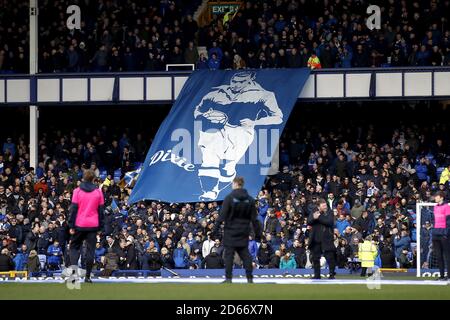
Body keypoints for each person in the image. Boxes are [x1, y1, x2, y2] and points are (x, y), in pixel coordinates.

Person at [212, 177, 262, 283]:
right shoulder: (250, 199)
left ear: (235, 184)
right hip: (244, 231)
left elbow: (221, 217)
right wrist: (258, 234)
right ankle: (249, 278)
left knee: (229, 255)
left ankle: (228, 278)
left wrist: (214, 231)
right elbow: (254, 219)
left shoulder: (229, 198)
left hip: (230, 231)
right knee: (245, 254)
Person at [67, 169, 105, 283]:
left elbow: (73, 210)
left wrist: (71, 225)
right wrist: (100, 227)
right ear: (94, 179)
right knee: (90, 251)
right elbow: (101, 211)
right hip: (93, 225)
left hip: (79, 224)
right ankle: (87, 276)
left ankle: (74, 275)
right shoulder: (98, 192)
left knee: (74, 248)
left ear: (83, 178)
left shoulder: (77, 191)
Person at [307, 198, 337, 279]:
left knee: (330, 257)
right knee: (315, 258)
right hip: (316, 239)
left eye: (325, 205)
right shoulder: (314, 211)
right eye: (323, 205)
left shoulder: (329, 212)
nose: (325, 207)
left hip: (327, 239)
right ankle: (317, 275)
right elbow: (309, 221)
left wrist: (319, 217)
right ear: (318, 206)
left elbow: (329, 222)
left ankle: (332, 274)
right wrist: (314, 218)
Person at [432, 191, 450, 280]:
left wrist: (446, 233)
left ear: (441, 197)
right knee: (438, 256)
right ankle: (442, 275)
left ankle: (449, 276)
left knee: (447, 255)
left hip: (444, 234)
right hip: (435, 234)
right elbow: (434, 221)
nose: (435, 198)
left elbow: (448, 221)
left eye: (436, 196)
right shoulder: (435, 207)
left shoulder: (447, 207)